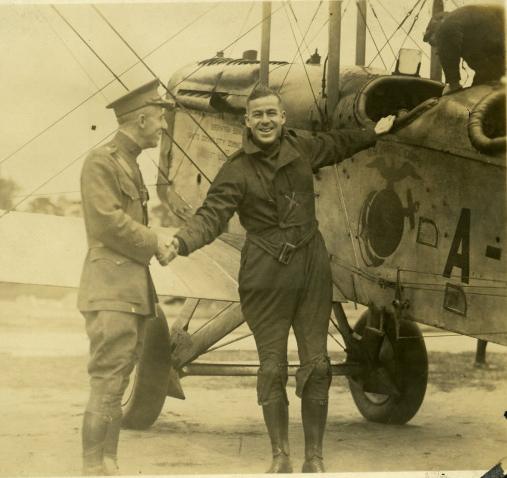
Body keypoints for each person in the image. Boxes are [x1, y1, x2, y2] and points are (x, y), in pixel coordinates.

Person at [162, 85, 395, 473]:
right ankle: (280, 458)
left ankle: (314, 460)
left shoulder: (301, 147)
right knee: (272, 367)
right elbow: (210, 216)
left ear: (283, 118)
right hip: (265, 273)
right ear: (247, 121)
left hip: (310, 266)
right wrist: (181, 241)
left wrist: (374, 132)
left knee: (317, 364)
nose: (266, 121)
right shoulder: (235, 170)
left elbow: (337, 144)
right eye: (258, 115)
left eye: (272, 113)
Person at [77, 78, 176, 476]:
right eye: (159, 119)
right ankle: (92, 469)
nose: (163, 127)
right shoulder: (102, 161)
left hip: (128, 291)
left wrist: (155, 244)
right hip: (112, 291)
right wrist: (155, 241)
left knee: (116, 384)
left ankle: (109, 465)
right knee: (107, 382)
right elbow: (107, 223)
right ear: (139, 119)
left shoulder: (128, 162)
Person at [423, 4, 505, 95]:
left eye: (432, 43)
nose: (435, 51)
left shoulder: (445, 26)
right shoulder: (463, 21)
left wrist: (453, 84)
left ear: (436, 31)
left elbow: (448, 46)